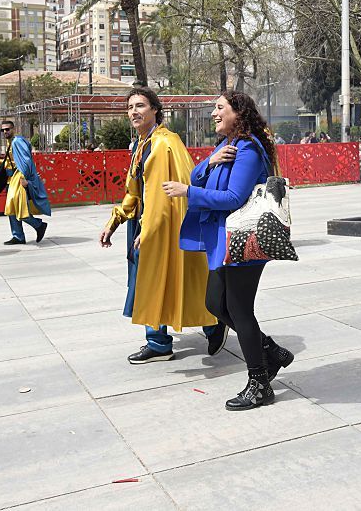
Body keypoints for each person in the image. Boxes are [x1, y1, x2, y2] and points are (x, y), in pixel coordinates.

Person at [165, 90, 294, 411]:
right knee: (214, 303)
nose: (213, 113)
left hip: (244, 239)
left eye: (219, 108)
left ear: (238, 113)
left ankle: (260, 383)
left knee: (239, 310)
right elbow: (197, 174)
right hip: (225, 240)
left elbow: (234, 198)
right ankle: (271, 351)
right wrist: (209, 162)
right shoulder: (226, 146)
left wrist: (188, 192)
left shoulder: (248, 148)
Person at [100, 87, 218, 363]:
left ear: (155, 109)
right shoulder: (142, 144)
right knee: (150, 282)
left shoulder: (164, 143)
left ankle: (214, 322)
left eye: (140, 105)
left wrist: (148, 231)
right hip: (146, 222)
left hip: (162, 225)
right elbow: (135, 191)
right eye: (130, 107)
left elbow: (161, 194)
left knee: (174, 280)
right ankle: (159, 342)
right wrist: (114, 222)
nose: (134, 112)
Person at [0, 121, 50, 244]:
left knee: (18, 207)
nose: (5, 132)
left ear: (13, 129)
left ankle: (38, 225)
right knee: (12, 209)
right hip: (11, 178)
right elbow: (14, 161)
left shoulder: (17, 141)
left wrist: (24, 178)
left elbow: (26, 160)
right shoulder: (11, 142)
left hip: (18, 178)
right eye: (2, 130)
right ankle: (18, 236)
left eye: (7, 129)